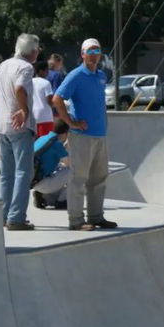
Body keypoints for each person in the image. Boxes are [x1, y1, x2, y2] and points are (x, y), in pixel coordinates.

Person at [53, 37, 116, 231]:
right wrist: (71, 122)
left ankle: (96, 216)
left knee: (99, 177)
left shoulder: (101, 76)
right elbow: (57, 99)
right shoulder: (76, 75)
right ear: (83, 54)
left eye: (97, 51)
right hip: (82, 136)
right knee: (79, 178)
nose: (94, 55)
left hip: (99, 134)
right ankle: (76, 220)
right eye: (90, 52)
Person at [0, 34, 40, 231]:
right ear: (33, 51)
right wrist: (24, 110)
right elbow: (20, 87)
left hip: (1, 126)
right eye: (37, 50)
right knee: (23, 172)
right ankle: (16, 218)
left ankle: (5, 215)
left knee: (7, 174)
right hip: (20, 127)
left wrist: (0, 104)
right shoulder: (26, 67)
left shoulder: (5, 65)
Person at [32, 121, 71, 210]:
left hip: (34, 181)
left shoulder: (42, 138)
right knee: (74, 172)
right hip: (44, 182)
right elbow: (70, 164)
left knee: (61, 167)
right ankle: (62, 201)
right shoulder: (56, 143)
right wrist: (68, 146)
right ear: (65, 133)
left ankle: (43, 197)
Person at [32, 59, 56, 138]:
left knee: (34, 143)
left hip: (32, 116)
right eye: (47, 70)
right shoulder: (46, 83)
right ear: (41, 71)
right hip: (45, 117)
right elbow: (50, 101)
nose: (48, 73)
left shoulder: (29, 82)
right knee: (45, 142)